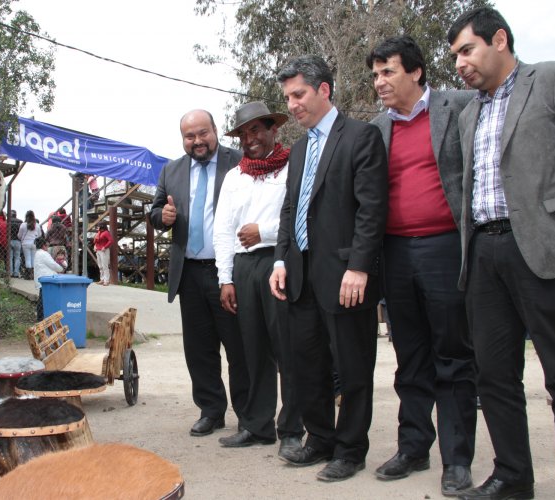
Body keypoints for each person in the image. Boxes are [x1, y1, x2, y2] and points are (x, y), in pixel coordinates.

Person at [447, 7, 555, 500]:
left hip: (548, 250)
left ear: (499, 39)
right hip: (484, 252)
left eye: (467, 50)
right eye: (455, 55)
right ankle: (511, 478)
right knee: (495, 376)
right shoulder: (467, 113)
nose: (459, 63)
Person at [366, 36, 477, 496]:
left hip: (445, 247)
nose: (379, 82)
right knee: (409, 355)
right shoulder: (376, 129)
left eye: (388, 71)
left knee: (451, 354)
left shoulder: (460, 108)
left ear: (415, 71)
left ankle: (457, 459)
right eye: (374, 75)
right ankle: (413, 446)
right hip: (395, 252)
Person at [268, 55, 387, 482]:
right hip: (300, 277)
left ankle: (351, 449)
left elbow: (372, 210)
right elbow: (290, 210)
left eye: (298, 94)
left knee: (352, 366)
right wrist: (281, 259)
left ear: (324, 89)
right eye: (288, 97)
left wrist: (359, 266)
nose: (293, 104)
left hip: (345, 278)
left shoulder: (361, 137)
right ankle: (319, 439)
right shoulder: (299, 150)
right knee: (307, 363)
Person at [150, 109, 250, 438]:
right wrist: (161, 216)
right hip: (189, 273)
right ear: (183, 139)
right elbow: (153, 211)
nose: (197, 141)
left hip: (229, 272)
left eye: (203, 133)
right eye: (189, 136)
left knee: (239, 346)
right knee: (199, 349)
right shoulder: (171, 170)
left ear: (215, 131)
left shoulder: (239, 162)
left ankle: (248, 414)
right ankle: (211, 411)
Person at [212, 101, 303, 456]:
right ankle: (258, 426)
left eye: (257, 130)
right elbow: (223, 231)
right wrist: (225, 279)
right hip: (245, 268)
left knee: (288, 349)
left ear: (273, 130)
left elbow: (302, 217)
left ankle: (293, 428)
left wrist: (263, 231)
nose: (250, 139)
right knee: (254, 350)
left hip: (281, 262)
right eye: (244, 133)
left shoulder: (293, 166)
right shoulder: (235, 177)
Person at [33, 237, 65, 321]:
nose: (47, 247)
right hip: (46, 280)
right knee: (43, 300)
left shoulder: (38, 253)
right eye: (47, 245)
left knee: (42, 299)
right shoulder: (44, 254)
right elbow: (53, 264)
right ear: (44, 246)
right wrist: (61, 269)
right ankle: (40, 318)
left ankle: (41, 317)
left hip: (42, 279)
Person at [18, 210, 42, 280]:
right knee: (33, 259)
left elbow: (19, 235)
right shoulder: (37, 225)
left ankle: (28, 275)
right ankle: (33, 274)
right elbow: (39, 234)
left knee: (27, 259)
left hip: (25, 243)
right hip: (34, 243)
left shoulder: (23, 225)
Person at [8, 210, 23, 278]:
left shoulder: (8, 221)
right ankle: (16, 273)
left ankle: (10, 273)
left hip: (9, 240)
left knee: (10, 257)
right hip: (17, 241)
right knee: (17, 257)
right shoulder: (20, 222)